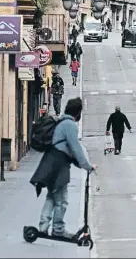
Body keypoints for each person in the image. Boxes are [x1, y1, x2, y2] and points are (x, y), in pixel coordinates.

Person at [30, 97, 97, 239]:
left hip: (51, 161)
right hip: (58, 165)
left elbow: (71, 151)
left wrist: (83, 165)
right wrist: (87, 166)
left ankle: (43, 226)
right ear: (77, 112)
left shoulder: (62, 122)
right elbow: (76, 148)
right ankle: (58, 229)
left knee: (52, 196)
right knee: (62, 199)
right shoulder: (69, 125)